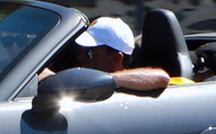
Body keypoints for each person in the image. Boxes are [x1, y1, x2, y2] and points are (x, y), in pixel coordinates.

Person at [39, 15, 173, 96]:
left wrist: (101, 80)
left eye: (90, 53)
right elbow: (41, 74)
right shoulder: (80, 79)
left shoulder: (128, 84)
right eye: (81, 50)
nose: (80, 57)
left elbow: (162, 78)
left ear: (116, 58)